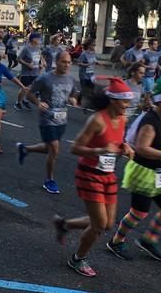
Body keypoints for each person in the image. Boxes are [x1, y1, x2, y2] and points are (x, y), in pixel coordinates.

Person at [54, 79, 135, 277]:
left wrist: (125, 146)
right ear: (113, 101)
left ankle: (65, 225)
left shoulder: (122, 119)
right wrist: (99, 150)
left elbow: (117, 140)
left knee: (107, 224)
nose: (128, 106)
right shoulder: (98, 120)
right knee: (98, 225)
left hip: (107, 175)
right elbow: (75, 148)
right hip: (89, 174)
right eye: (124, 102)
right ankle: (77, 259)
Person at [107, 80, 161, 262]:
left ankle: (149, 239)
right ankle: (116, 241)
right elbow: (142, 149)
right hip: (143, 172)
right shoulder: (150, 121)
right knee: (138, 213)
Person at [16, 51, 80, 194]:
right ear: (56, 62)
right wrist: (38, 103)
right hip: (47, 119)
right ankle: (49, 180)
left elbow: (74, 92)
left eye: (69, 62)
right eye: (64, 62)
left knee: (49, 149)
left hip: (61, 120)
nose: (67, 65)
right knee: (55, 148)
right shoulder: (45, 78)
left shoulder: (70, 79)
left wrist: (73, 99)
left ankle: (25, 149)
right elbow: (30, 93)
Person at [14, 32, 44, 110]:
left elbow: (39, 58)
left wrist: (41, 64)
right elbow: (18, 59)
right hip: (26, 73)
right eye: (38, 38)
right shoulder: (26, 48)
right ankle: (18, 103)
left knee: (32, 89)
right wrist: (27, 64)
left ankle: (25, 100)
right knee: (24, 88)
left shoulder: (38, 48)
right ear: (33, 39)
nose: (39, 40)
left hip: (35, 72)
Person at [76, 39, 98, 104]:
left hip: (91, 74)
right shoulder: (84, 53)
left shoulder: (93, 53)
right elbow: (78, 63)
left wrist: (97, 63)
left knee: (93, 87)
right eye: (93, 44)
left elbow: (94, 61)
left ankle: (92, 102)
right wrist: (86, 64)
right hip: (84, 74)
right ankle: (78, 100)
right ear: (89, 45)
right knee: (84, 89)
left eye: (95, 44)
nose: (94, 46)